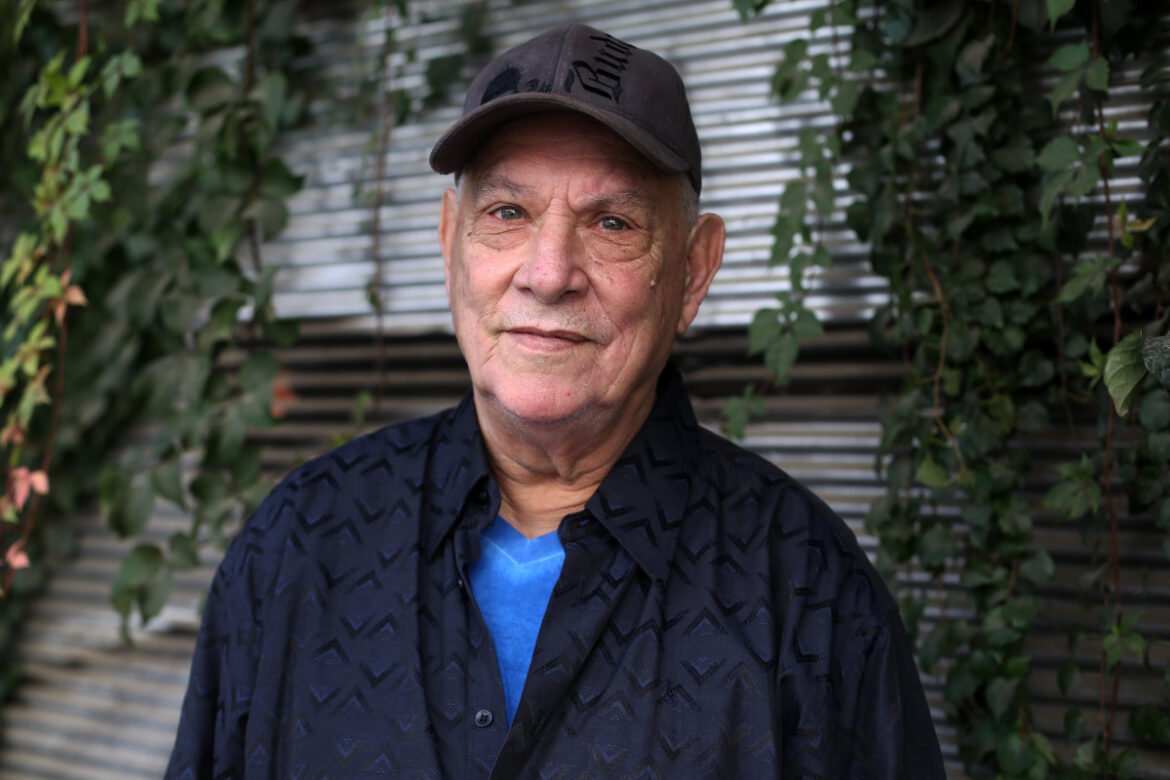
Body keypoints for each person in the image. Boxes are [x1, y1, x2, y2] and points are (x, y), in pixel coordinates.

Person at [166, 24, 945, 779]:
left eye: (612, 223)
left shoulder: (806, 590)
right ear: (450, 242)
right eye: (508, 213)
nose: (548, 274)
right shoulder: (301, 544)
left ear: (693, 271)